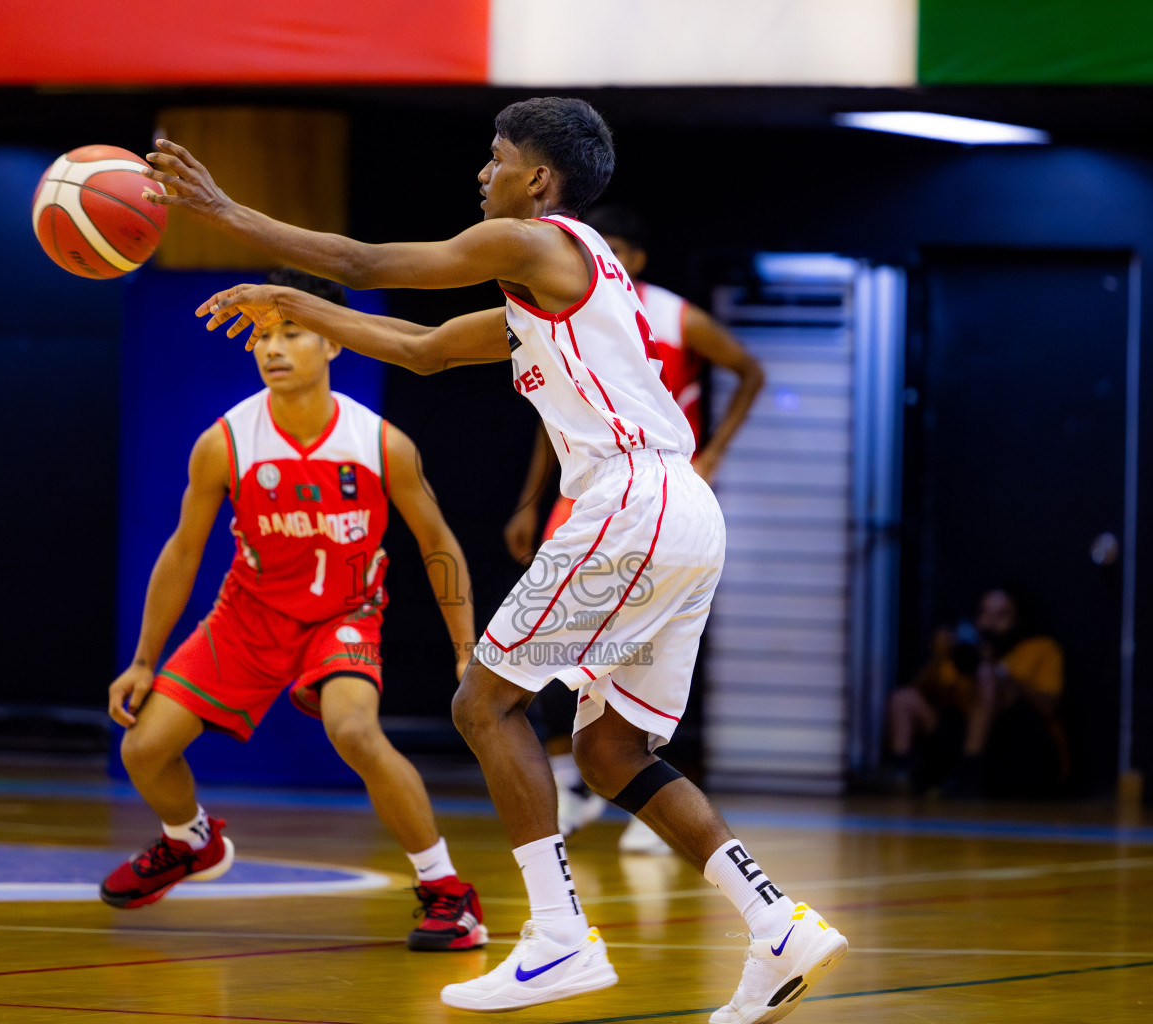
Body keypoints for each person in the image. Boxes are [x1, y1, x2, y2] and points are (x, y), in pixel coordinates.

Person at [142, 96, 846, 1022]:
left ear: (539, 182)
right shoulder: (561, 287)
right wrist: (298, 305)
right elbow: (424, 349)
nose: (483, 173)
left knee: (483, 698)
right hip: (682, 514)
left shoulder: (537, 241)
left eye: (497, 156)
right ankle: (777, 922)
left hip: (633, 500)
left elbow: (369, 263)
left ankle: (556, 938)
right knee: (607, 749)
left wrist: (229, 215)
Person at [103, 269, 487, 953]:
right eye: (262, 334)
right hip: (245, 618)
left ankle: (448, 892)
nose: (272, 348)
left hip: (342, 614)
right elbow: (182, 554)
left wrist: (466, 648)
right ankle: (190, 842)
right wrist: (142, 661)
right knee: (143, 748)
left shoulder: (380, 444)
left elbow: (438, 543)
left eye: (292, 332)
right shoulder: (225, 442)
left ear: (335, 341)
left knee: (355, 732)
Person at [502, 206, 766, 853]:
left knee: (653, 647)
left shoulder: (675, 315)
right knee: (544, 652)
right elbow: (553, 413)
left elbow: (750, 370)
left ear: (636, 259)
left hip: (655, 491)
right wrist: (530, 503)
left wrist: (716, 452)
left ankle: (646, 785)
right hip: (588, 491)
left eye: (615, 249)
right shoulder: (574, 314)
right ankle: (576, 782)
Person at [888, 587, 1067, 797]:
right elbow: (920, 690)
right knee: (903, 698)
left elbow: (1050, 706)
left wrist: (1002, 675)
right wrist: (941, 656)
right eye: (985, 613)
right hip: (965, 744)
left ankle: (969, 776)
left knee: (987, 675)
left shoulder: (1041, 649)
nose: (991, 622)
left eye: (1002, 614)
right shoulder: (965, 654)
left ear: (1019, 620)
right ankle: (904, 778)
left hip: (1021, 749)